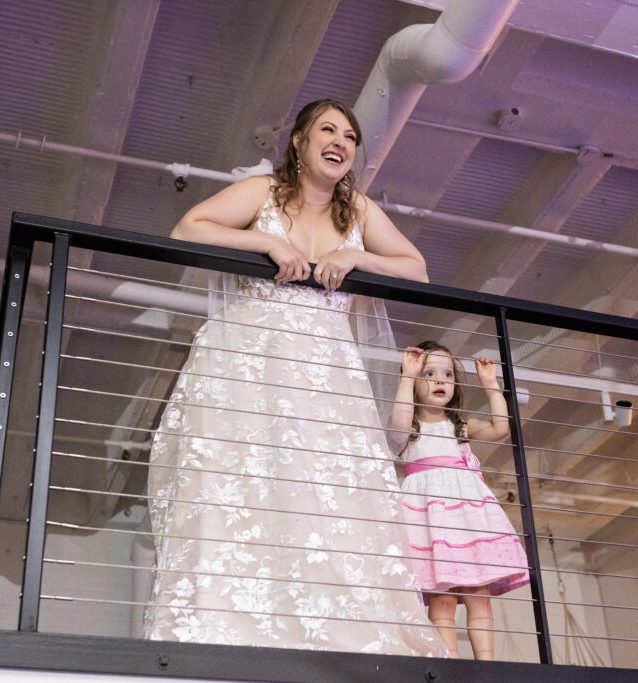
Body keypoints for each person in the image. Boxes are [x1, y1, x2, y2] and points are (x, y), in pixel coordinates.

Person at [143, 99, 447, 656]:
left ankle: (332, 634)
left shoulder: (355, 210)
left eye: (350, 136)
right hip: (247, 359)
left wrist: (355, 258)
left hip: (324, 368)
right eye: (327, 130)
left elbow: (417, 268)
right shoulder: (263, 193)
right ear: (300, 143)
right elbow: (189, 227)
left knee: (325, 494)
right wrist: (266, 242)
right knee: (242, 486)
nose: (340, 142)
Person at [391, 341, 529, 659]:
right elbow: (397, 428)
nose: (440, 380)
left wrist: (491, 385)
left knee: (478, 592)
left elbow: (500, 429)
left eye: (447, 374)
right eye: (429, 373)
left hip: (465, 519)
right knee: (443, 598)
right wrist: (407, 377)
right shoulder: (410, 427)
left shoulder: (460, 426)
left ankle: (486, 666)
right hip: (431, 520)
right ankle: (451, 665)